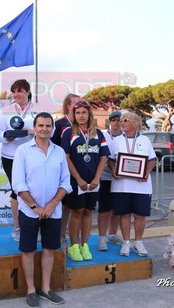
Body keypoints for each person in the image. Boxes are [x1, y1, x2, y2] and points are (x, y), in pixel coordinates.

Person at [12, 112, 72, 308]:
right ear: (35, 127)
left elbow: (65, 182)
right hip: (30, 211)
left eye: (48, 126)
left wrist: (53, 204)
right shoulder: (22, 151)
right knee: (28, 250)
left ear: (52, 128)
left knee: (49, 249)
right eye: (41, 125)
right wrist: (35, 207)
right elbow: (19, 184)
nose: (44, 129)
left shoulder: (59, 152)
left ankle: (46, 289)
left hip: (53, 211)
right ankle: (31, 290)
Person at [61, 101, 109, 261]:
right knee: (77, 211)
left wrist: (97, 178)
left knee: (88, 211)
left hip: (94, 181)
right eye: (78, 113)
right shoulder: (68, 132)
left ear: (89, 115)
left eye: (84, 113)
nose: (81, 116)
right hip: (76, 181)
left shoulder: (99, 133)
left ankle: (85, 244)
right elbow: (66, 158)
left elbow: (103, 157)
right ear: (74, 115)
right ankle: (74, 246)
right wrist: (79, 179)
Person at [108, 111, 156, 257]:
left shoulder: (145, 140)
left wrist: (146, 172)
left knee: (140, 215)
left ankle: (139, 242)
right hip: (121, 185)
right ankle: (126, 242)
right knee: (124, 214)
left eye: (126, 120)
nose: (122, 122)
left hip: (141, 186)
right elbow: (110, 160)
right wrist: (114, 170)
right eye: (121, 120)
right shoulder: (116, 141)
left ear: (135, 123)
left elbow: (152, 160)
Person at [0, 79, 35, 242]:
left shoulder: (38, 109)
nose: (16, 94)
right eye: (14, 91)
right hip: (10, 155)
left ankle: (33, 226)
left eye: (20, 91)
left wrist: (30, 131)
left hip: (32, 155)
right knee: (17, 191)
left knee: (33, 190)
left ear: (28, 92)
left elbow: (47, 130)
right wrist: (7, 137)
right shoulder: (6, 110)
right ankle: (17, 228)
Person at [50, 93, 81, 248]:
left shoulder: (82, 124)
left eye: (81, 103)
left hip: (76, 171)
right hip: (60, 169)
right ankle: (58, 236)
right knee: (58, 203)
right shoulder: (59, 124)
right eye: (76, 103)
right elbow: (51, 145)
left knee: (71, 206)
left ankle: (67, 236)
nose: (79, 106)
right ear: (68, 105)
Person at [97, 111, 125, 250]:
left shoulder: (126, 137)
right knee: (104, 209)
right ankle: (102, 237)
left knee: (116, 209)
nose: (116, 122)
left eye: (119, 120)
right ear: (110, 122)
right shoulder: (102, 135)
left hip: (120, 178)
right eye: (113, 120)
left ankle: (112, 234)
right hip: (105, 177)